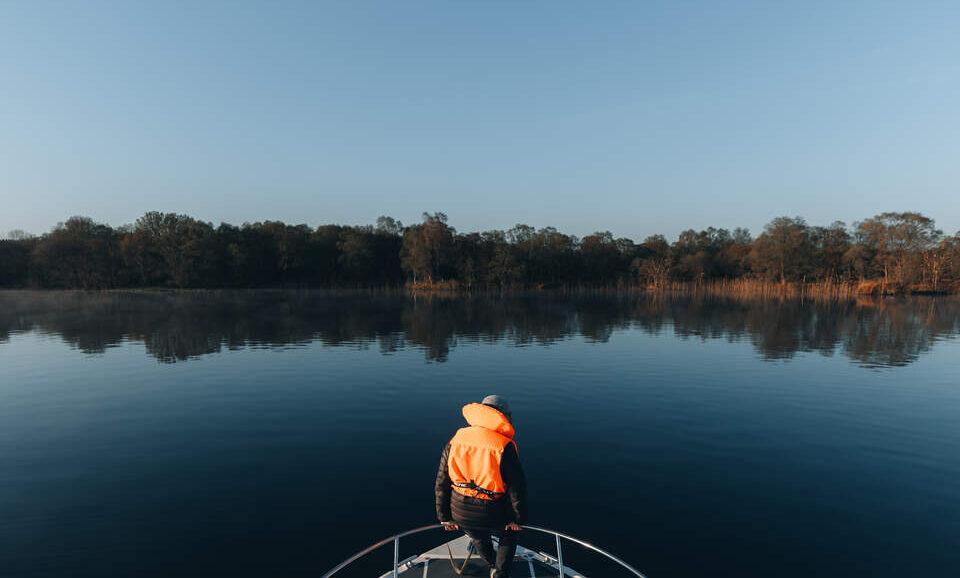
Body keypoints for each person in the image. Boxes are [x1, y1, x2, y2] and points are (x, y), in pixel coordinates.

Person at [435, 395, 527, 578]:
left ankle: (492, 562)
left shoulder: (457, 439)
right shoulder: (503, 446)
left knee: (477, 536)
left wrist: (444, 517)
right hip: (492, 511)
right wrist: (518, 519)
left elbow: (441, 482)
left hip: (459, 511)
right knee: (508, 534)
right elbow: (517, 488)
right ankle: (499, 573)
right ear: (504, 416)